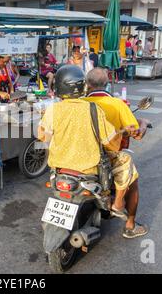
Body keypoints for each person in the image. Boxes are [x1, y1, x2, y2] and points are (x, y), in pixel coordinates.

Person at [39, 65, 148, 239]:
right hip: (89, 169)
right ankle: (123, 212)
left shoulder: (53, 109)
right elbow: (110, 143)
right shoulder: (93, 109)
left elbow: (43, 136)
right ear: (82, 86)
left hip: (58, 168)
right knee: (126, 160)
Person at [83, 67, 150, 238]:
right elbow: (137, 134)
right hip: (106, 159)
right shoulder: (117, 104)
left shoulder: (78, 103)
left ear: (87, 84)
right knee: (132, 182)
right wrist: (142, 123)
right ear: (106, 85)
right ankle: (130, 225)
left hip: (79, 156)